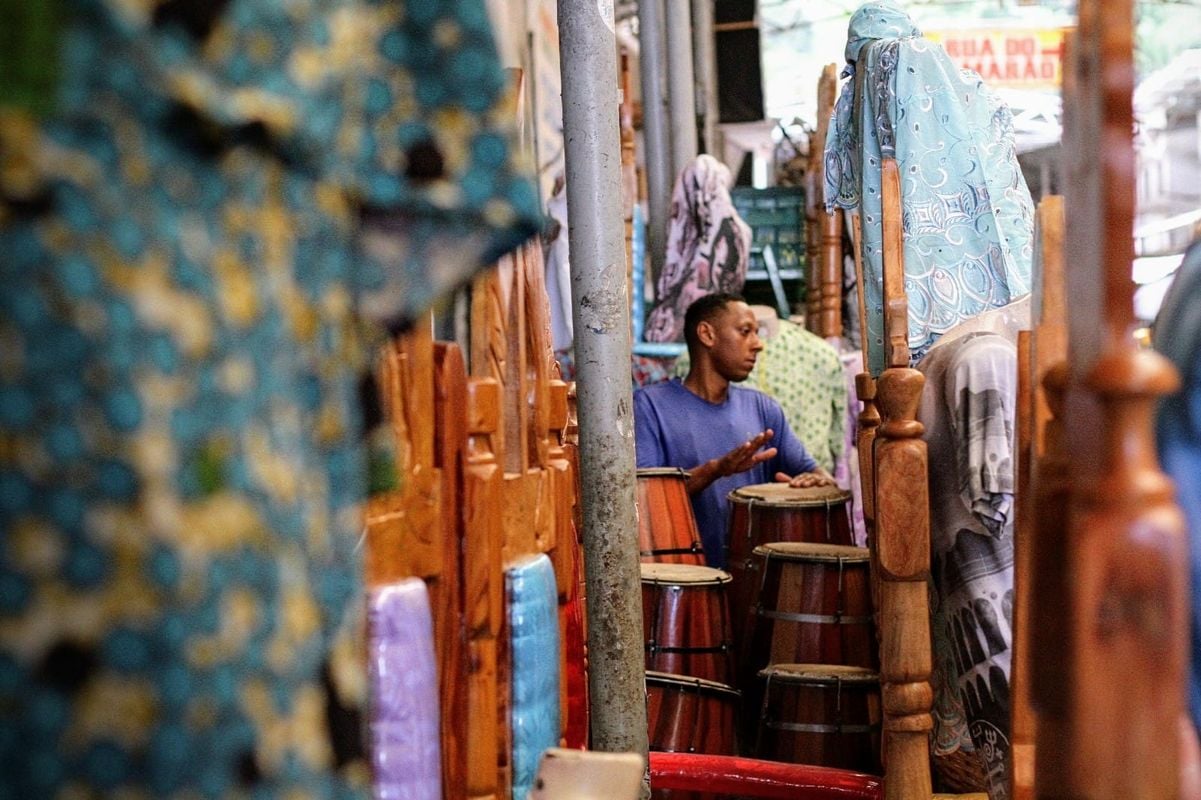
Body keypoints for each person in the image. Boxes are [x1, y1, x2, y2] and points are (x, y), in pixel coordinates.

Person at [634, 293, 835, 567]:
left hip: (754, 584)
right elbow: (646, 497)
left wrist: (816, 482)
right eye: (745, 332)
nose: (758, 344)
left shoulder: (763, 408)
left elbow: (815, 472)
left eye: (756, 333)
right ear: (707, 334)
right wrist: (717, 469)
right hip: (682, 584)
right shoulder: (649, 406)